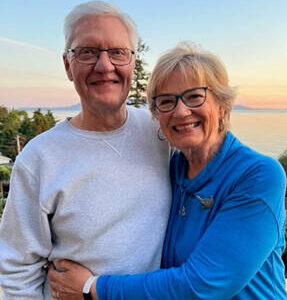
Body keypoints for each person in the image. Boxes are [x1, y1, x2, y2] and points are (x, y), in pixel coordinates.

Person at [48, 42, 287, 299]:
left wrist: (92, 288)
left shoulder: (258, 176)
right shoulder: (172, 169)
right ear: (157, 116)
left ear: (222, 105)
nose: (181, 111)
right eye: (166, 101)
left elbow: (204, 283)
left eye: (195, 96)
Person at [0, 1, 171, 299]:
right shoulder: (39, 158)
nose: (104, 66)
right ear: (67, 65)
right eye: (87, 52)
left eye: (117, 53)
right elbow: (17, 270)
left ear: (132, 62)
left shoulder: (161, 134)